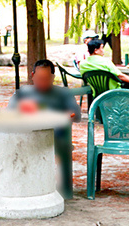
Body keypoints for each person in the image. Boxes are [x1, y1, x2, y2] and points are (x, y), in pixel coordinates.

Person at [8, 59, 80, 197]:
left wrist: (62, 116)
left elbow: (76, 115)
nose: (42, 82)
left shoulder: (63, 93)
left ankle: (63, 190)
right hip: (27, 135)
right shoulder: (23, 92)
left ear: (52, 78)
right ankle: (22, 188)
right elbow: (10, 112)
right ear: (32, 75)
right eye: (39, 78)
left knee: (60, 146)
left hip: (56, 135)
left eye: (46, 78)